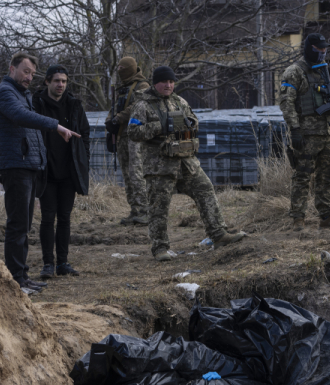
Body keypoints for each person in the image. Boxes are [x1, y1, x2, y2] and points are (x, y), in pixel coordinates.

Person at [127, 66, 245, 261]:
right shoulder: (142, 105)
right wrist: (161, 126)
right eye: (164, 82)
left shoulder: (179, 101)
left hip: (186, 162)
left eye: (172, 82)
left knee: (205, 189)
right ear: (155, 83)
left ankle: (218, 234)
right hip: (159, 166)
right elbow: (133, 133)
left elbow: (194, 122)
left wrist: (187, 124)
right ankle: (160, 248)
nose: (168, 85)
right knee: (159, 207)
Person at [0, 52, 80, 294]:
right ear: (12, 68)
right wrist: (55, 125)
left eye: (32, 73)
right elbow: (21, 117)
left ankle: (23, 277)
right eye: (25, 71)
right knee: (17, 225)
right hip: (16, 167)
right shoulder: (5, 93)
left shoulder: (21, 93)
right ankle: (16, 280)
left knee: (25, 225)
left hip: (27, 166)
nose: (29, 77)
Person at [279, 33, 330, 231]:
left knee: (327, 175)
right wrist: (294, 129)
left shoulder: (327, 71)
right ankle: (298, 218)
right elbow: (287, 103)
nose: (322, 53)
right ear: (309, 48)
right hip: (306, 134)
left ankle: (326, 216)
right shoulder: (295, 71)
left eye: (324, 50)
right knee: (302, 176)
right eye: (318, 50)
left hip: (329, 132)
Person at [33, 65, 91, 279]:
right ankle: (48, 263)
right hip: (46, 169)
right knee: (48, 217)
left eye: (64, 81)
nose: (60, 85)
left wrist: (83, 160)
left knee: (65, 217)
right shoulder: (36, 104)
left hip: (69, 170)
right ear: (47, 82)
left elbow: (84, 133)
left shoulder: (74, 105)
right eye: (56, 80)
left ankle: (63, 263)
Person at [105, 57, 151, 226]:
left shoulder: (142, 86)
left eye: (123, 68)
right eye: (119, 67)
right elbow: (114, 108)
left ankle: (144, 210)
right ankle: (134, 209)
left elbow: (137, 107)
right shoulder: (122, 88)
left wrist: (117, 119)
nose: (120, 70)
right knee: (126, 173)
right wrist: (110, 122)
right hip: (121, 136)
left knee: (136, 173)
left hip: (135, 136)